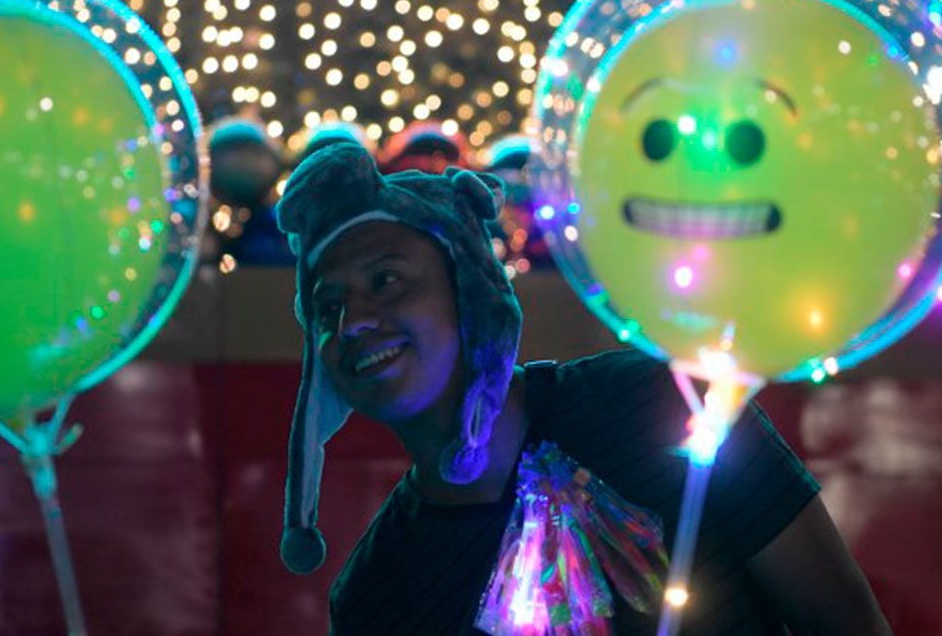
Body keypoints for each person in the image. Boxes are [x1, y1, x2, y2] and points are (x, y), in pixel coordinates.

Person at [273, 141, 891, 635]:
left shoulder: (659, 404)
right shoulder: (377, 596)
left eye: (385, 280)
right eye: (327, 307)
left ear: (471, 292)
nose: (351, 323)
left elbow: (843, 620)